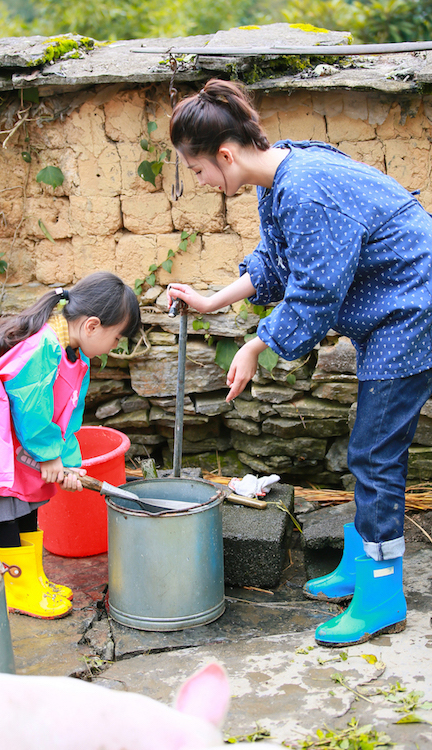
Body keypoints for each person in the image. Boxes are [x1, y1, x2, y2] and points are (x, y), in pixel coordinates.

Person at [167, 78, 432, 647]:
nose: (203, 183)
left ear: (224, 154)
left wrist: (257, 343)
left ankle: (383, 593)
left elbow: (316, 292)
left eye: (198, 172)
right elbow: (277, 260)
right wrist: (214, 299)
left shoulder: (306, 189)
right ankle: (361, 569)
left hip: (413, 310)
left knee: (375, 455)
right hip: (393, 310)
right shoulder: (282, 176)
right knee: (371, 450)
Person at [0, 272, 140, 619]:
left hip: (14, 430)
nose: (115, 347)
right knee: (7, 507)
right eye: (117, 338)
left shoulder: (75, 355)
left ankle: (35, 580)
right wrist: (47, 457)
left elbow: (65, 418)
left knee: (28, 501)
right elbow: (31, 407)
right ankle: (18, 590)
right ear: (91, 326)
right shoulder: (42, 346)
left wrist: (68, 463)